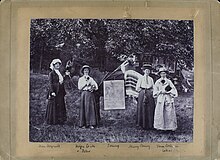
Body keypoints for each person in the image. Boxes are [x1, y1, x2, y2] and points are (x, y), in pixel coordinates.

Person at [45, 59, 67, 125]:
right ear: (53, 65)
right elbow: (50, 83)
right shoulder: (51, 73)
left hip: (60, 91)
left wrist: (65, 77)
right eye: (56, 64)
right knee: (54, 105)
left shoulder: (59, 72)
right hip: (54, 91)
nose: (57, 65)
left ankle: (60, 120)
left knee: (60, 105)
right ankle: (52, 121)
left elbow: (62, 80)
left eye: (59, 64)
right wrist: (52, 91)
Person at [136, 64, 155, 129]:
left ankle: (149, 124)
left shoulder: (151, 79)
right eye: (146, 70)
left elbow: (153, 87)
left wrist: (151, 92)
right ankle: (141, 124)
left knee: (150, 108)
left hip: (149, 94)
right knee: (142, 108)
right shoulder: (141, 78)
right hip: (142, 93)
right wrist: (142, 92)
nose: (147, 72)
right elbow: (137, 88)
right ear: (143, 71)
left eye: (148, 70)